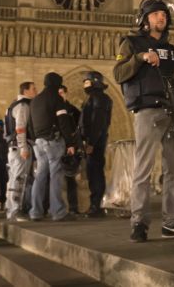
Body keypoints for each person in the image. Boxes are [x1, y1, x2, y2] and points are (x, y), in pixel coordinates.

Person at [114, 0, 174, 243]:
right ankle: (139, 222)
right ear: (144, 20)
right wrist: (140, 58)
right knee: (143, 169)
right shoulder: (131, 43)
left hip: (172, 111)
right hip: (148, 110)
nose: (162, 17)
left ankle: (172, 222)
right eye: (156, 14)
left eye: (164, 15)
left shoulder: (171, 49)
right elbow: (118, 73)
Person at [28, 72, 78, 221]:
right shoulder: (56, 99)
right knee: (56, 176)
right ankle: (58, 212)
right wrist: (70, 143)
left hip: (39, 142)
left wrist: (36, 139)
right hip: (53, 141)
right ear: (57, 84)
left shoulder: (35, 101)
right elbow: (63, 122)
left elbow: (30, 124)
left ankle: (35, 212)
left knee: (40, 176)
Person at [79, 71, 112, 218]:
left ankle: (96, 205)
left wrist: (91, 142)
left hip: (96, 141)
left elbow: (98, 122)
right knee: (93, 171)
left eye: (86, 81)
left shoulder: (99, 98)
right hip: (94, 140)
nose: (84, 85)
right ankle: (94, 204)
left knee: (95, 172)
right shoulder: (95, 98)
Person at [4, 81, 37, 221]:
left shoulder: (11, 106)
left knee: (13, 178)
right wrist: (23, 146)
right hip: (20, 147)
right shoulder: (23, 106)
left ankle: (11, 209)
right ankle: (16, 210)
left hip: (12, 147)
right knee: (20, 179)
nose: (36, 91)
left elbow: (7, 131)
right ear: (25, 91)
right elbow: (20, 127)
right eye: (33, 89)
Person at [57, 84, 83, 214]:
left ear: (66, 93)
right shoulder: (54, 109)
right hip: (57, 145)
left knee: (70, 178)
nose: (60, 95)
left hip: (70, 147)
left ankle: (73, 207)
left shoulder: (73, 110)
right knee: (54, 177)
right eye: (58, 93)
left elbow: (80, 127)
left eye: (62, 93)